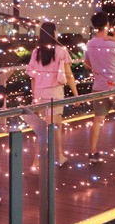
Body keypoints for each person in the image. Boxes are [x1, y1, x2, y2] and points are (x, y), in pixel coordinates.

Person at [83, 12, 115, 162]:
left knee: (98, 119)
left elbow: (87, 64)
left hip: (98, 86)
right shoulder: (114, 43)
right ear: (107, 24)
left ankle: (93, 152)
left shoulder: (90, 43)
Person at [26, 22, 78, 166]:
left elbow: (33, 77)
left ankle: (58, 155)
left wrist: (34, 97)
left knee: (47, 127)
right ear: (53, 33)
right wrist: (75, 93)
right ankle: (38, 160)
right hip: (55, 94)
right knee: (51, 128)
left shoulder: (37, 52)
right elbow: (69, 74)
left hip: (40, 94)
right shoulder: (61, 51)